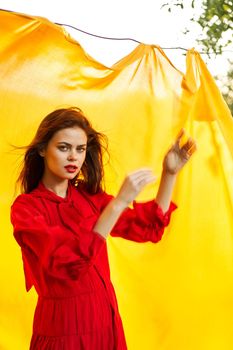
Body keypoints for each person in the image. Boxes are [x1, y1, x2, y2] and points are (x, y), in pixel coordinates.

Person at [11, 107, 196, 350]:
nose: (73, 157)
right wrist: (118, 203)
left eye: (80, 149)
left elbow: (148, 228)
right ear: (43, 149)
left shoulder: (90, 197)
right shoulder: (26, 209)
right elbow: (67, 262)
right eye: (64, 147)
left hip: (106, 320)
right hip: (63, 329)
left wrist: (170, 174)